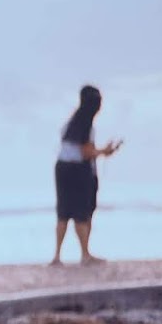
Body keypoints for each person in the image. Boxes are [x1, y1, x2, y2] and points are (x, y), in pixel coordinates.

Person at [52, 84, 123, 266]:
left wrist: (100, 152)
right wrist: (104, 152)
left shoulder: (70, 124)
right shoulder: (86, 125)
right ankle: (85, 254)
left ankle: (57, 255)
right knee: (81, 213)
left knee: (63, 213)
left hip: (62, 168)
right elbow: (85, 152)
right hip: (78, 170)